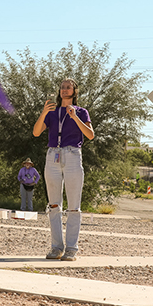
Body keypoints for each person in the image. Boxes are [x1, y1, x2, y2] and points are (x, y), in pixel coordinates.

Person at [32, 78, 94, 261]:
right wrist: (43, 113)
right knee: (53, 205)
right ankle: (56, 247)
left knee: (73, 206)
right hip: (52, 156)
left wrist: (75, 117)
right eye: (62, 87)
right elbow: (36, 132)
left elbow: (90, 135)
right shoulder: (52, 113)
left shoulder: (82, 112)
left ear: (74, 92)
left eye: (68, 87)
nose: (64, 90)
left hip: (73, 155)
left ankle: (71, 249)